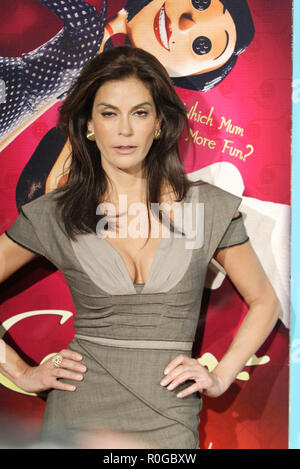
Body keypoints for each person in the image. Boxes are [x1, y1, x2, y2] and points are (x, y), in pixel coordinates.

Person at [0, 46, 280, 449]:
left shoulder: (205, 208)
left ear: (161, 124)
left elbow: (265, 301)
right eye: (109, 113)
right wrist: (22, 373)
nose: (125, 130)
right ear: (90, 125)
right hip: (78, 415)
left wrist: (219, 377)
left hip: (169, 420)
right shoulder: (55, 214)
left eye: (140, 112)